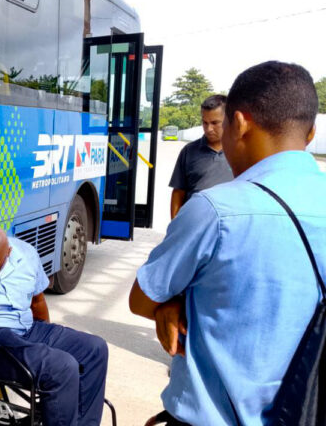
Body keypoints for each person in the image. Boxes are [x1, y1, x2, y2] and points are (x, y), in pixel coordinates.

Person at [129, 61, 326, 425]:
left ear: (239, 123)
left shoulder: (215, 211)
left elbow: (141, 298)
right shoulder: (194, 159)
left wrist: (170, 303)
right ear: (310, 133)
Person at [0, 224, 109, 426]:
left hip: (27, 328)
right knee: (61, 367)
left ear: (8, 253)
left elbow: (38, 302)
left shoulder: (25, 253)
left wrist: (45, 346)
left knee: (95, 349)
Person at [169, 94, 234, 218]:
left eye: (215, 123)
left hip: (231, 224)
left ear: (228, 120)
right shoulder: (188, 151)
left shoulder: (240, 151)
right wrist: (175, 224)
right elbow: (178, 192)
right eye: (205, 123)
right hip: (194, 223)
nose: (209, 129)